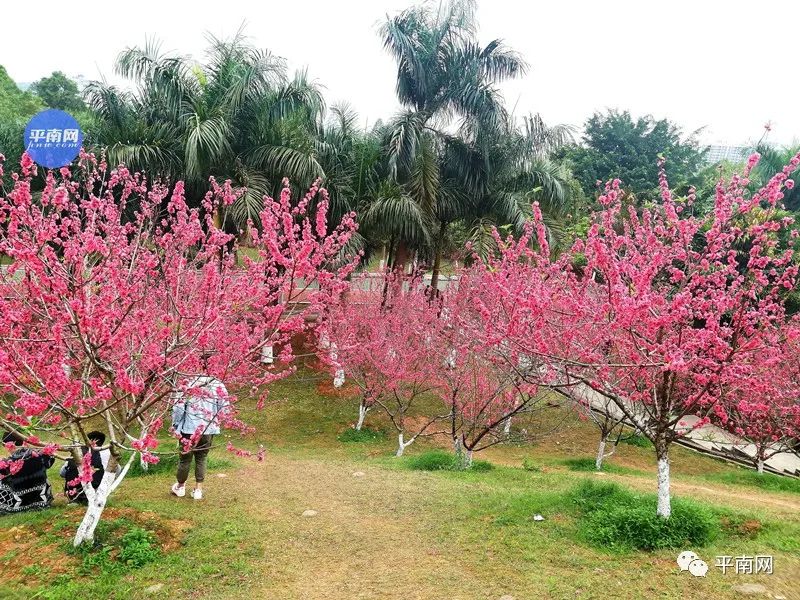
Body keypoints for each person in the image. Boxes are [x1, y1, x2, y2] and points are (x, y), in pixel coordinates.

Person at [171, 362, 229, 501]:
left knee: (185, 459)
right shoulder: (218, 385)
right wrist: (216, 422)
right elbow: (225, 407)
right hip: (208, 429)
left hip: (188, 429)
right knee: (202, 458)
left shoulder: (188, 383)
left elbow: (178, 407)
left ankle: (180, 487)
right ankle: (198, 490)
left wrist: (175, 424)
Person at [0, 432, 55, 514]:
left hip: (18, 501)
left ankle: (11, 507)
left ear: (11, 445)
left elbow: (3, 473)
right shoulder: (38, 454)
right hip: (41, 496)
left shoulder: (8, 462)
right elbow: (50, 461)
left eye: (5, 446)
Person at [60, 430, 116, 504]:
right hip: (94, 491)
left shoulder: (76, 451)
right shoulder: (105, 453)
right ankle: (102, 494)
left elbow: (62, 473)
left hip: (73, 493)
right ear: (102, 443)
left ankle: (77, 499)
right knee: (114, 469)